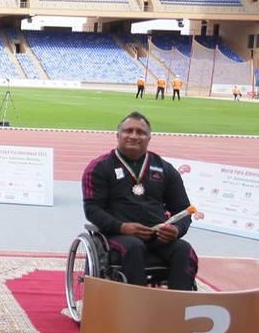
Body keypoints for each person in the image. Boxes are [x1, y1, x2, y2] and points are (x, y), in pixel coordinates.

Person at [81, 111, 197, 290]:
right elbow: (92, 210)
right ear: (118, 135)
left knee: (184, 250)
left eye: (141, 132)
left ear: (149, 138)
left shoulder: (165, 169)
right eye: (128, 131)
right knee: (133, 247)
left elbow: (183, 209)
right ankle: (136, 308)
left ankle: (179, 308)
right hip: (117, 235)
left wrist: (176, 229)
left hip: (157, 237)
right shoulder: (99, 167)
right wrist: (122, 227)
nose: (134, 136)